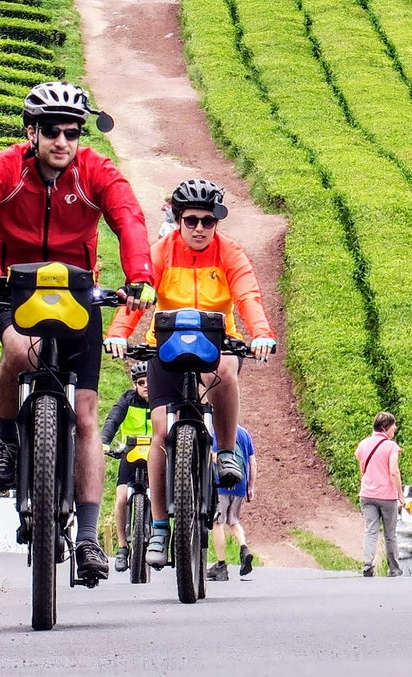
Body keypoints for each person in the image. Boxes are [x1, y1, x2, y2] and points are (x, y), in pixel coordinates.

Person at [0, 81, 154, 585]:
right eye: (52, 131)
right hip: (17, 291)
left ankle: (86, 536)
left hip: (80, 294)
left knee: (85, 414)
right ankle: (6, 436)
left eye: (72, 133)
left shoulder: (96, 172)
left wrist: (140, 277)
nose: (63, 142)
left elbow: (127, 217)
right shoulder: (1, 169)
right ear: (31, 132)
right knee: (17, 351)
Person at [105, 178, 275, 570]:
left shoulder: (230, 253)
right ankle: (161, 526)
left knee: (227, 374)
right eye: (191, 221)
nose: (199, 228)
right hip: (164, 347)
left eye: (207, 221)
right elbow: (140, 293)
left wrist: (261, 334)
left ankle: (227, 452)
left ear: (216, 222)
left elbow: (248, 296)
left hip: (216, 344)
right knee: (161, 432)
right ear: (177, 220)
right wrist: (118, 334)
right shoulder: (161, 252)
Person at [102, 361, 153, 572]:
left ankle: (160, 536)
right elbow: (113, 420)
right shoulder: (127, 400)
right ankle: (123, 548)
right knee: (121, 498)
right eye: (141, 383)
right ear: (135, 385)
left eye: (150, 382)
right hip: (130, 455)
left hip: (156, 457)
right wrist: (104, 441)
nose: (146, 386)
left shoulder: (161, 402)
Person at [356, 412, 403, 578]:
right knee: (390, 534)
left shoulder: (363, 444)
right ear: (385, 427)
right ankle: (394, 569)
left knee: (370, 531)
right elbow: (394, 472)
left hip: (367, 495)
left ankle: (367, 565)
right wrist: (400, 495)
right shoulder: (391, 446)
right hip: (387, 496)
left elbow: (363, 468)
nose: (395, 429)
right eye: (393, 425)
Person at [208, 424, 256, 581]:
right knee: (233, 521)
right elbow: (252, 462)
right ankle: (244, 548)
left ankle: (221, 566)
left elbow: (213, 456)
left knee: (218, 522)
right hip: (240, 483)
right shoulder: (244, 433)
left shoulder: (216, 431)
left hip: (221, 482)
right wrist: (250, 487)